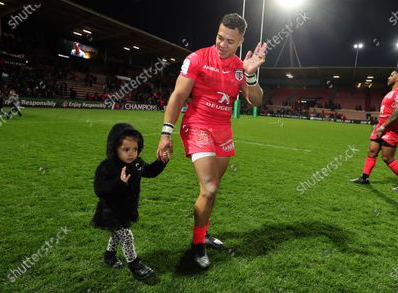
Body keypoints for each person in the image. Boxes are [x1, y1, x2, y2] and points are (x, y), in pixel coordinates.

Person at [156, 13, 267, 268]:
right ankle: (197, 244)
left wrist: (251, 75)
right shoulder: (196, 59)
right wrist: (166, 132)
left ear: (240, 42)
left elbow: (256, 101)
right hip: (197, 126)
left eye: (229, 40)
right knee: (210, 188)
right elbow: (178, 95)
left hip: (223, 131)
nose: (222, 44)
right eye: (219, 37)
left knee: (212, 189)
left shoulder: (241, 67)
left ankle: (203, 233)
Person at [92, 123, 169, 280]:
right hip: (110, 211)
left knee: (116, 235)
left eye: (135, 149)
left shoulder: (137, 164)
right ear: (114, 148)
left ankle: (109, 256)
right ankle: (135, 265)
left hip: (126, 209)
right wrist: (118, 182)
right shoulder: (107, 167)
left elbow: (150, 172)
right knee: (126, 236)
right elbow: (99, 189)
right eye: (126, 149)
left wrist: (161, 162)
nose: (131, 153)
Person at [351, 69, 398, 192]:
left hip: (391, 129)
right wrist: (380, 125)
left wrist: (384, 127)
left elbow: (397, 113)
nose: (388, 77)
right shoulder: (392, 92)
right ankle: (364, 178)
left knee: (387, 158)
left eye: (391, 75)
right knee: (371, 152)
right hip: (381, 126)